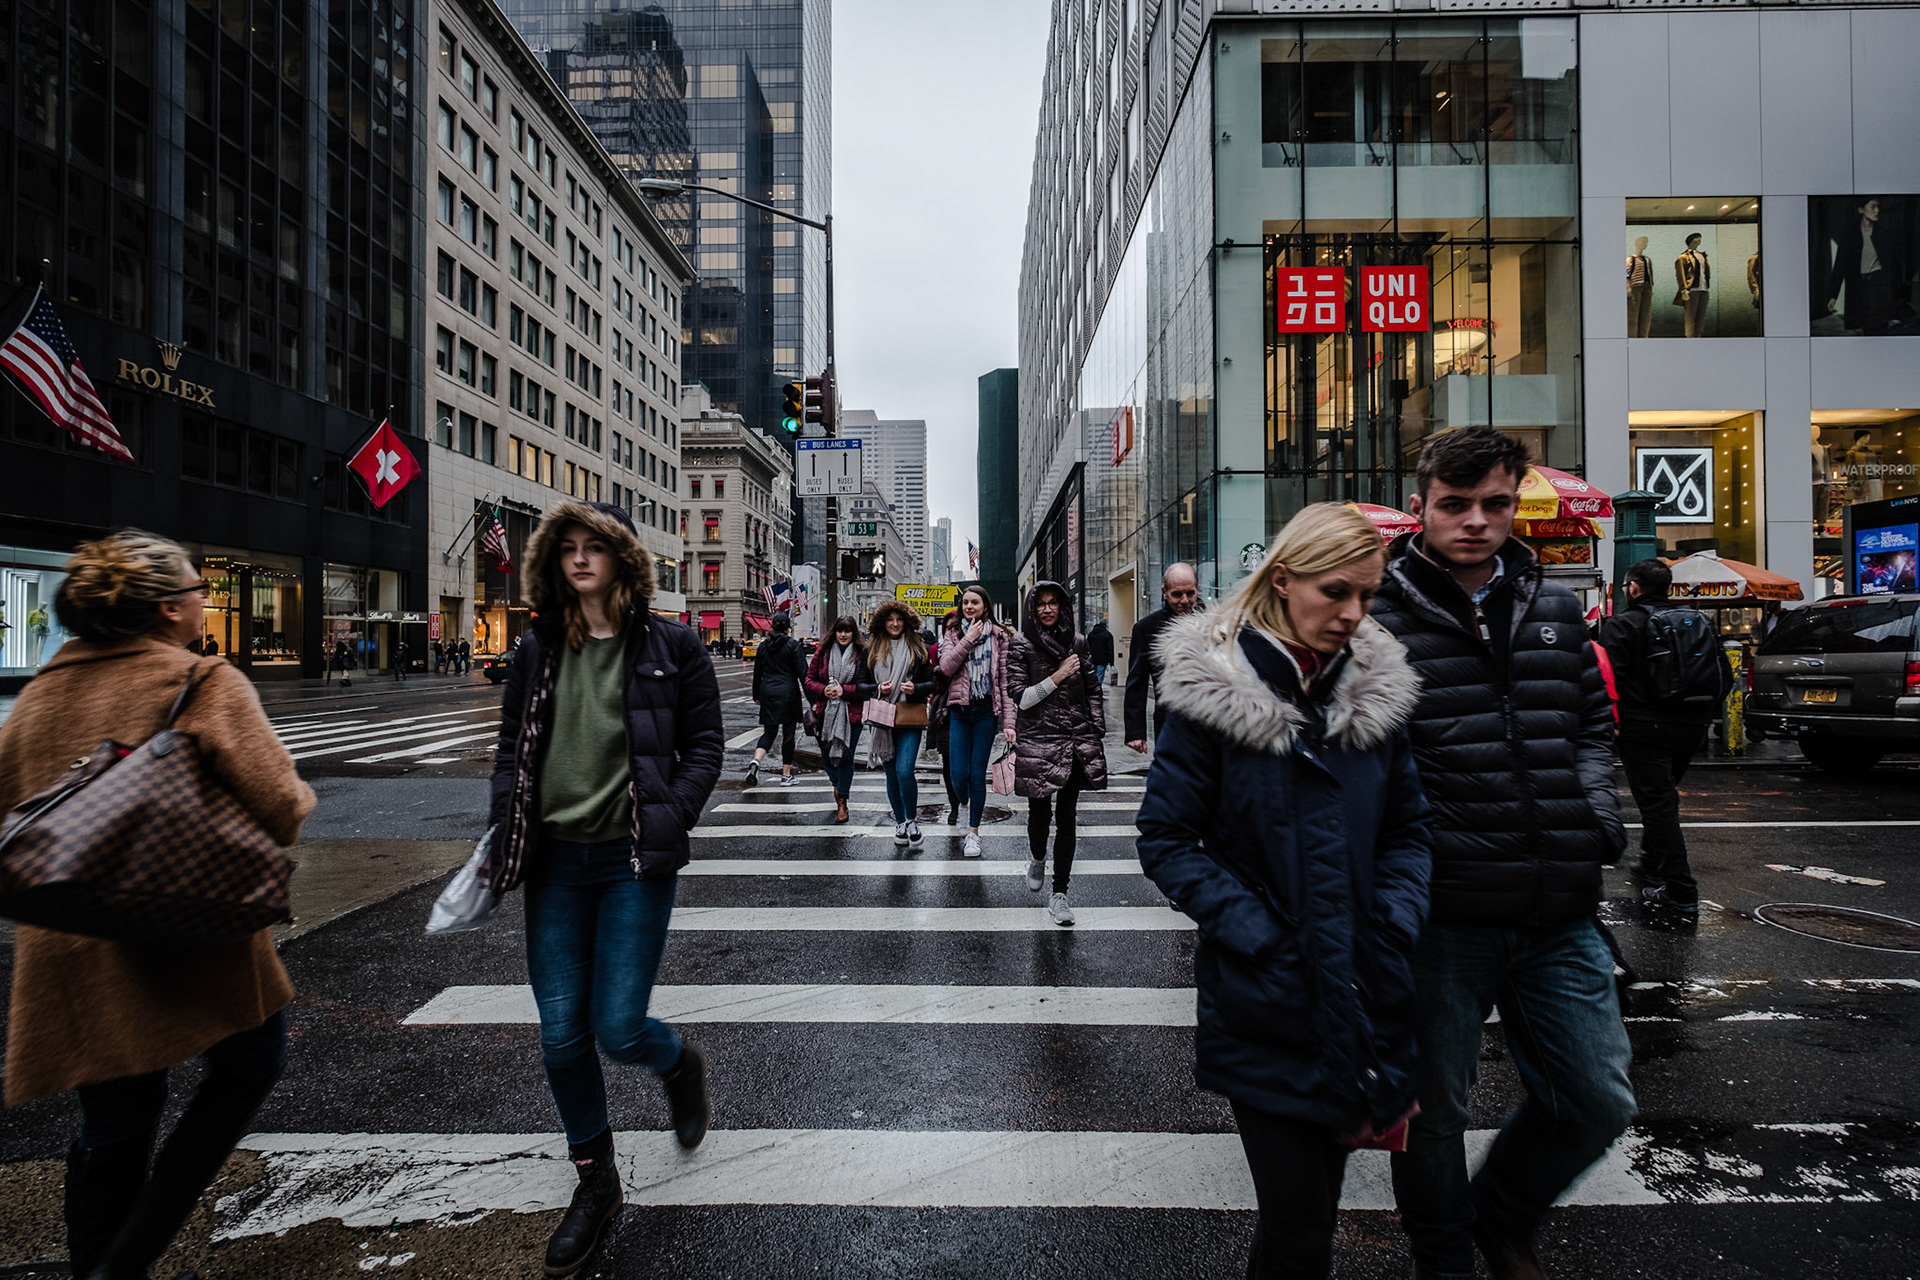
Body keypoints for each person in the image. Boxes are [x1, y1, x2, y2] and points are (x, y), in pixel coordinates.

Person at [0, 531, 315, 1280]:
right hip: (184, 924)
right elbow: (281, 808)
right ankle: (125, 1260)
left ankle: (96, 1267)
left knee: (112, 1124)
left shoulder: (40, 692)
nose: (205, 602)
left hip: (71, 942)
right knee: (250, 1062)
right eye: (198, 592)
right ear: (171, 610)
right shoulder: (204, 680)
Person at [1137, 503, 1430, 1280]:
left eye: (1367, 595)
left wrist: (1393, 923)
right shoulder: (1213, 693)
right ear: (1284, 578)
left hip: (1370, 984)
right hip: (1267, 1000)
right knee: (1301, 1227)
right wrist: (1261, 935)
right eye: (1336, 592)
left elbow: (1408, 832)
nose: (1353, 613)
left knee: (1307, 1224)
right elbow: (1166, 841)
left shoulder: (1376, 691)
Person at [1370, 426, 1635, 1280]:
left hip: (1559, 904)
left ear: (1513, 502)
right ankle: (1444, 1257)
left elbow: (1592, 723)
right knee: (1434, 1112)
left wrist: (1595, 814)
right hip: (1443, 913)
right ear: (1421, 508)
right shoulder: (1376, 614)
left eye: (1494, 503)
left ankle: (1502, 1216)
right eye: (1455, 505)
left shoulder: (1553, 605)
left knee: (1596, 1097)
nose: (1477, 521)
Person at [485, 499, 723, 1277]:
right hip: (555, 865)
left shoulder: (673, 646)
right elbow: (509, 752)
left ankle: (678, 1064)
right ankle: (597, 1181)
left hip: (629, 863)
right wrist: (505, 832)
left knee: (619, 1028)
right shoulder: (537, 648)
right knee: (561, 1036)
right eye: (568, 548)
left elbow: (704, 746)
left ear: (623, 556)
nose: (580, 559)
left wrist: (672, 812)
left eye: (596, 547)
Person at [1597, 558, 1733, 924]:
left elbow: (1608, 680)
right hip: (1692, 724)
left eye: (1627, 586)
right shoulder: (1698, 621)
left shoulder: (1623, 625)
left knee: (1657, 805)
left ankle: (1681, 889)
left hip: (1644, 727)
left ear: (1635, 587)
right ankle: (1651, 863)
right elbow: (1725, 675)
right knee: (1663, 797)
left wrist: (1614, 723)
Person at [1007, 581, 1108, 926]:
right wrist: (1059, 674)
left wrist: (1096, 726)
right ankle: (1037, 857)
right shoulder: (1021, 644)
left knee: (1067, 819)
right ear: (1031, 609)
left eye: (1054, 603)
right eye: (1041, 604)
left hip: (1074, 738)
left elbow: (1093, 689)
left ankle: (1060, 894)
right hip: (1038, 739)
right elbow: (1020, 697)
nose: (1047, 609)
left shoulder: (1078, 642)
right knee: (1039, 816)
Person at [935, 586, 1016, 857]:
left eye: (975, 602)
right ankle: (968, 805)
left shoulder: (999, 636)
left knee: (976, 775)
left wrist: (1009, 722)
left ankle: (973, 832)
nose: (969, 606)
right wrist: (967, 639)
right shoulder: (953, 633)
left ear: (985, 606)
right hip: (959, 710)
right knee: (958, 775)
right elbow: (946, 668)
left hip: (985, 713)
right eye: (965, 602)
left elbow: (1004, 681)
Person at [865, 600, 936, 849]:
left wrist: (915, 688)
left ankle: (911, 819)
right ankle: (900, 822)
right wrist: (876, 688)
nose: (895, 624)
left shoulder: (918, 648)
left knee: (905, 770)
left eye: (899, 619)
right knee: (891, 774)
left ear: (906, 621)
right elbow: (861, 684)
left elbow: (931, 683)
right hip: (882, 719)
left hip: (909, 717)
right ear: (883, 623)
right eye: (890, 619)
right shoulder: (872, 649)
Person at [1125, 562, 1200, 753]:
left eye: (1190, 593)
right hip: (1170, 723)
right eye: (1177, 594)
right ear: (1164, 592)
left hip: (1212, 724)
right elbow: (1136, 682)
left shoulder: (1214, 620)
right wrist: (1135, 732)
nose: (1184, 601)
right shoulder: (1146, 628)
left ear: (1197, 590)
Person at [805, 616, 874, 824]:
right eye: (840, 631)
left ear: (854, 633)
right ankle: (836, 782)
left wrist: (844, 691)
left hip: (851, 714)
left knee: (845, 756)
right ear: (834, 632)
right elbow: (809, 679)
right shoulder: (823, 652)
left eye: (848, 631)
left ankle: (843, 800)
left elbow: (866, 687)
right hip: (825, 713)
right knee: (827, 758)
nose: (843, 635)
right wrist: (823, 689)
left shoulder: (862, 654)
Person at [747, 611, 807, 789]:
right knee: (788, 735)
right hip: (788, 693)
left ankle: (756, 760)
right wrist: (813, 699)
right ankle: (786, 775)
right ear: (788, 628)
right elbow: (803, 674)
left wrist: (756, 695)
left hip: (768, 693)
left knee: (769, 732)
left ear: (772, 627)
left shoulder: (763, 647)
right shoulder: (793, 646)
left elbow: (757, 673)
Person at [928, 609, 962, 824]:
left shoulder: (972, 646)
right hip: (944, 710)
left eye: (955, 626)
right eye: (948, 627)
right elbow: (932, 682)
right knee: (948, 761)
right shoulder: (935, 649)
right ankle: (954, 806)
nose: (952, 630)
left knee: (965, 764)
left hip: (965, 707)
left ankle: (965, 802)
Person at [1086, 615, 1115, 687]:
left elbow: (1087, 647)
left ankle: (1093, 691)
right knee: (1099, 676)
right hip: (1102, 660)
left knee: (1093, 676)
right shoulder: (1107, 635)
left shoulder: (1091, 635)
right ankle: (1097, 692)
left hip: (1092, 659)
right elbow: (1110, 649)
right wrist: (1111, 662)